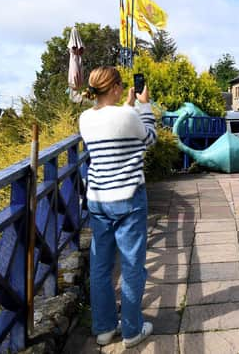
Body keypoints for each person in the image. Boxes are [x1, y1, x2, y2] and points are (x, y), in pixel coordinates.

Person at [79, 66, 156, 348]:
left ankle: (104, 328)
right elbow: (149, 138)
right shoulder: (129, 115)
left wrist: (129, 107)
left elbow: (113, 127)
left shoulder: (84, 118)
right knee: (132, 264)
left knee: (100, 266)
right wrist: (144, 105)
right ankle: (132, 330)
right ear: (113, 87)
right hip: (128, 198)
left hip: (98, 198)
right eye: (121, 85)